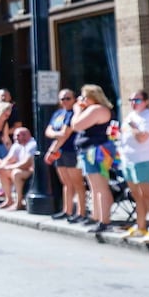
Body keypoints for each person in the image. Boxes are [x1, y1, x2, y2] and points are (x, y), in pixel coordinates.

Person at [71, 84, 117, 233]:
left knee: (99, 186)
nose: (81, 100)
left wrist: (77, 110)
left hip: (96, 151)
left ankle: (104, 220)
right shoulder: (96, 109)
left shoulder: (96, 109)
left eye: (84, 97)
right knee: (94, 186)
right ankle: (97, 216)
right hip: (91, 150)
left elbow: (76, 125)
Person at [118, 90, 149, 241]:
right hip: (128, 159)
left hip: (144, 159)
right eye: (131, 100)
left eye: (137, 100)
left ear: (146, 101)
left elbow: (142, 138)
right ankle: (140, 225)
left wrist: (133, 126)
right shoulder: (130, 117)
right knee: (137, 195)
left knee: (148, 194)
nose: (133, 103)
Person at [43, 89, 86, 223]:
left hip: (71, 150)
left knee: (77, 183)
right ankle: (66, 210)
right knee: (66, 183)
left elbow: (65, 134)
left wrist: (51, 150)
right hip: (59, 151)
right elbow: (49, 131)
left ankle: (81, 212)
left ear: (74, 99)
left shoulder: (74, 113)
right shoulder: (58, 113)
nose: (65, 101)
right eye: (62, 99)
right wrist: (55, 136)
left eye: (68, 98)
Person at [0, 125, 37, 210]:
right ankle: (9, 200)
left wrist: (9, 168)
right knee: (1, 171)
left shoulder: (32, 145)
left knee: (16, 173)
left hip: (31, 171)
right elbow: (9, 158)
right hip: (20, 168)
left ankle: (19, 202)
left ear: (25, 135)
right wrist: (0, 167)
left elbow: (26, 163)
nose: (14, 138)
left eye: (17, 136)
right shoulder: (17, 145)